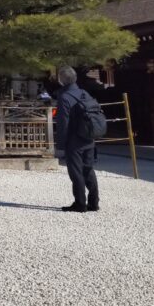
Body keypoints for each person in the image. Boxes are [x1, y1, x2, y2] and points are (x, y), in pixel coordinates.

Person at [55, 65, 100, 213]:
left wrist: (61, 144)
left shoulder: (64, 97)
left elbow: (63, 122)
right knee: (88, 169)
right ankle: (94, 202)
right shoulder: (83, 93)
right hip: (89, 137)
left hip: (74, 140)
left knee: (76, 172)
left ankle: (80, 203)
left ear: (61, 80)